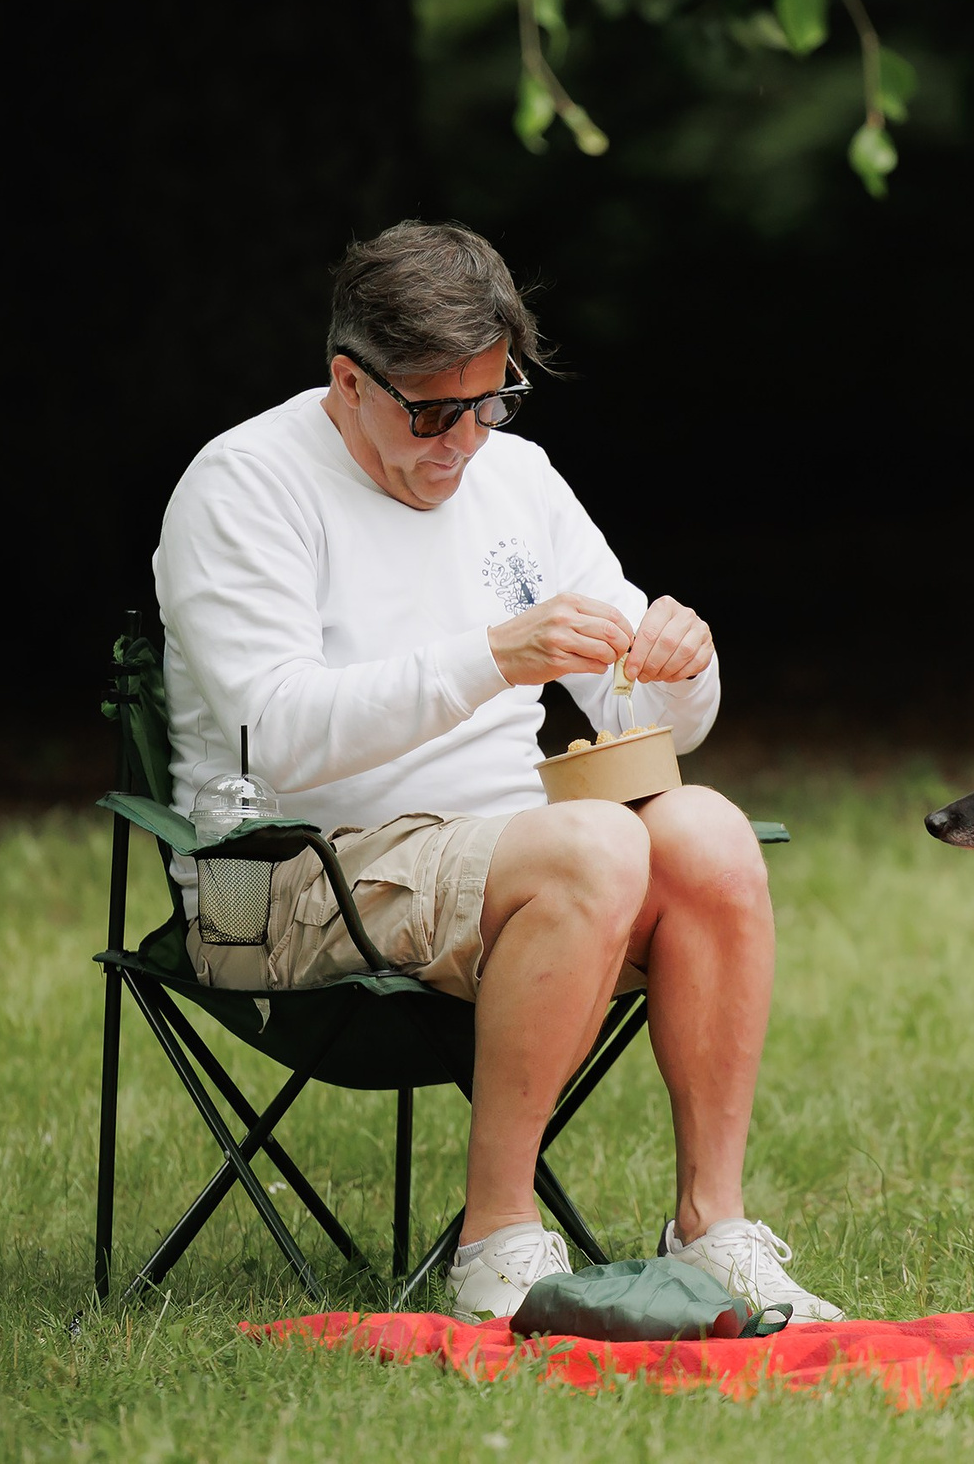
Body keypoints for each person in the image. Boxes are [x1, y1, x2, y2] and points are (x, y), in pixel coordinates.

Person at [151, 221, 839, 1325]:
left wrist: (679, 667)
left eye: (490, 404)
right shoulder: (244, 486)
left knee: (703, 828)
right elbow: (267, 739)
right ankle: (497, 1241)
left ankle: (715, 1231)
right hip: (292, 877)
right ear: (346, 380)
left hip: (526, 876)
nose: (463, 443)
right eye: (431, 413)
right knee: (597, 843)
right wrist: (490, 660)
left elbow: (653, 716)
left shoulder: (515, 477)